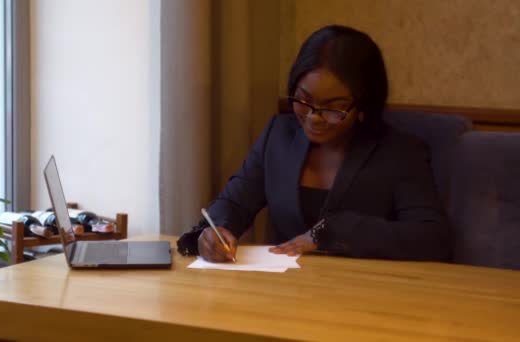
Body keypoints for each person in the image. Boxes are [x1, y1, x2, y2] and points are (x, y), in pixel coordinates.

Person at [177, 25, 451, 263]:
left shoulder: (399, 152)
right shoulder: (279, 135)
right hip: (285, 295)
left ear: (364, 105)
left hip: (367, 297)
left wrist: (335, 232)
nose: (313, 118)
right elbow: (234, 204)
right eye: (304, 100)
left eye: (333, 108)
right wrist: (215, 231)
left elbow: (432, 238)